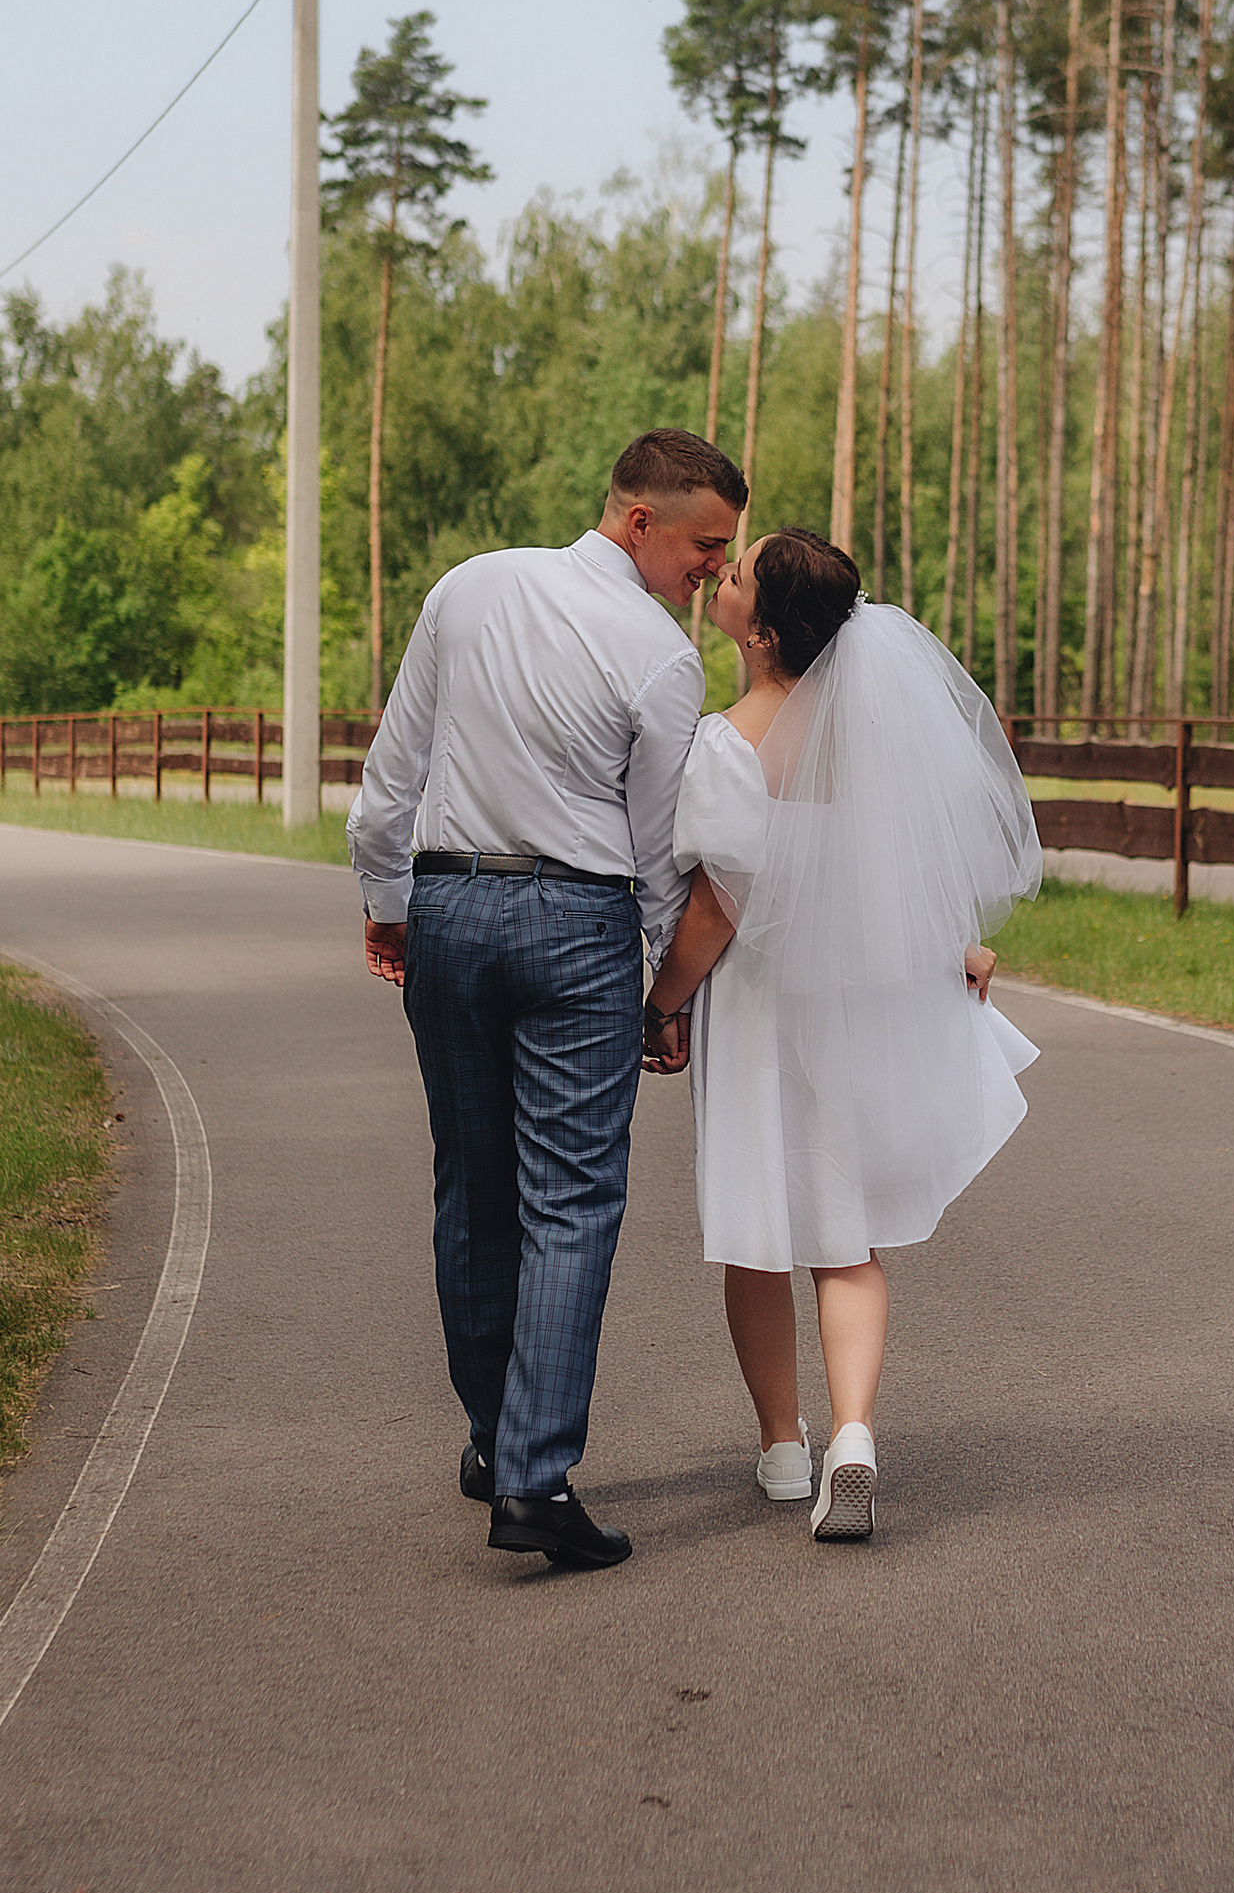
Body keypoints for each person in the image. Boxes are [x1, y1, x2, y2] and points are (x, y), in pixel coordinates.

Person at [350, 429, 746, 1572]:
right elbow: (663, 849)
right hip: (576, 927)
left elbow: (395, 773)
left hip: (453, 914)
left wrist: (388, 903)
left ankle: (490, 1438)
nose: (712, 571)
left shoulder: (470, 588)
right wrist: (666, 995)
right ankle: (531, 1479)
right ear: (639, 523)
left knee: (472, 1187)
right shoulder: (662, 659)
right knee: (570, 1202)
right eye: (704, 547)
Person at [643, 529, 1042, 1543]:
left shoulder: (729, 742)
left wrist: (661, 1003)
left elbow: (715, 909)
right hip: (859, 998)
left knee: (756, 1230)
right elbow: (906, 869)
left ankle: (784, 1446)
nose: (719, 579)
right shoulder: (875, 742)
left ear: (764, 633)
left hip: (759, 1009)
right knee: (846, 1234)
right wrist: (957, 943)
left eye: (734, 577)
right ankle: (853, 1434)